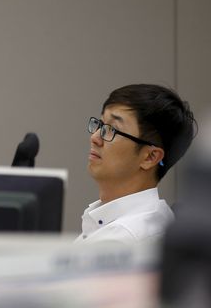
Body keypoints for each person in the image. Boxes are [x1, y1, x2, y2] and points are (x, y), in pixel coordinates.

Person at [75, 84, 197, 244]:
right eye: (100, 124)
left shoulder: (122, 240)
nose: (95, 137)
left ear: (150, 157)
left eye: (112, 129)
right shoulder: (153, 217)